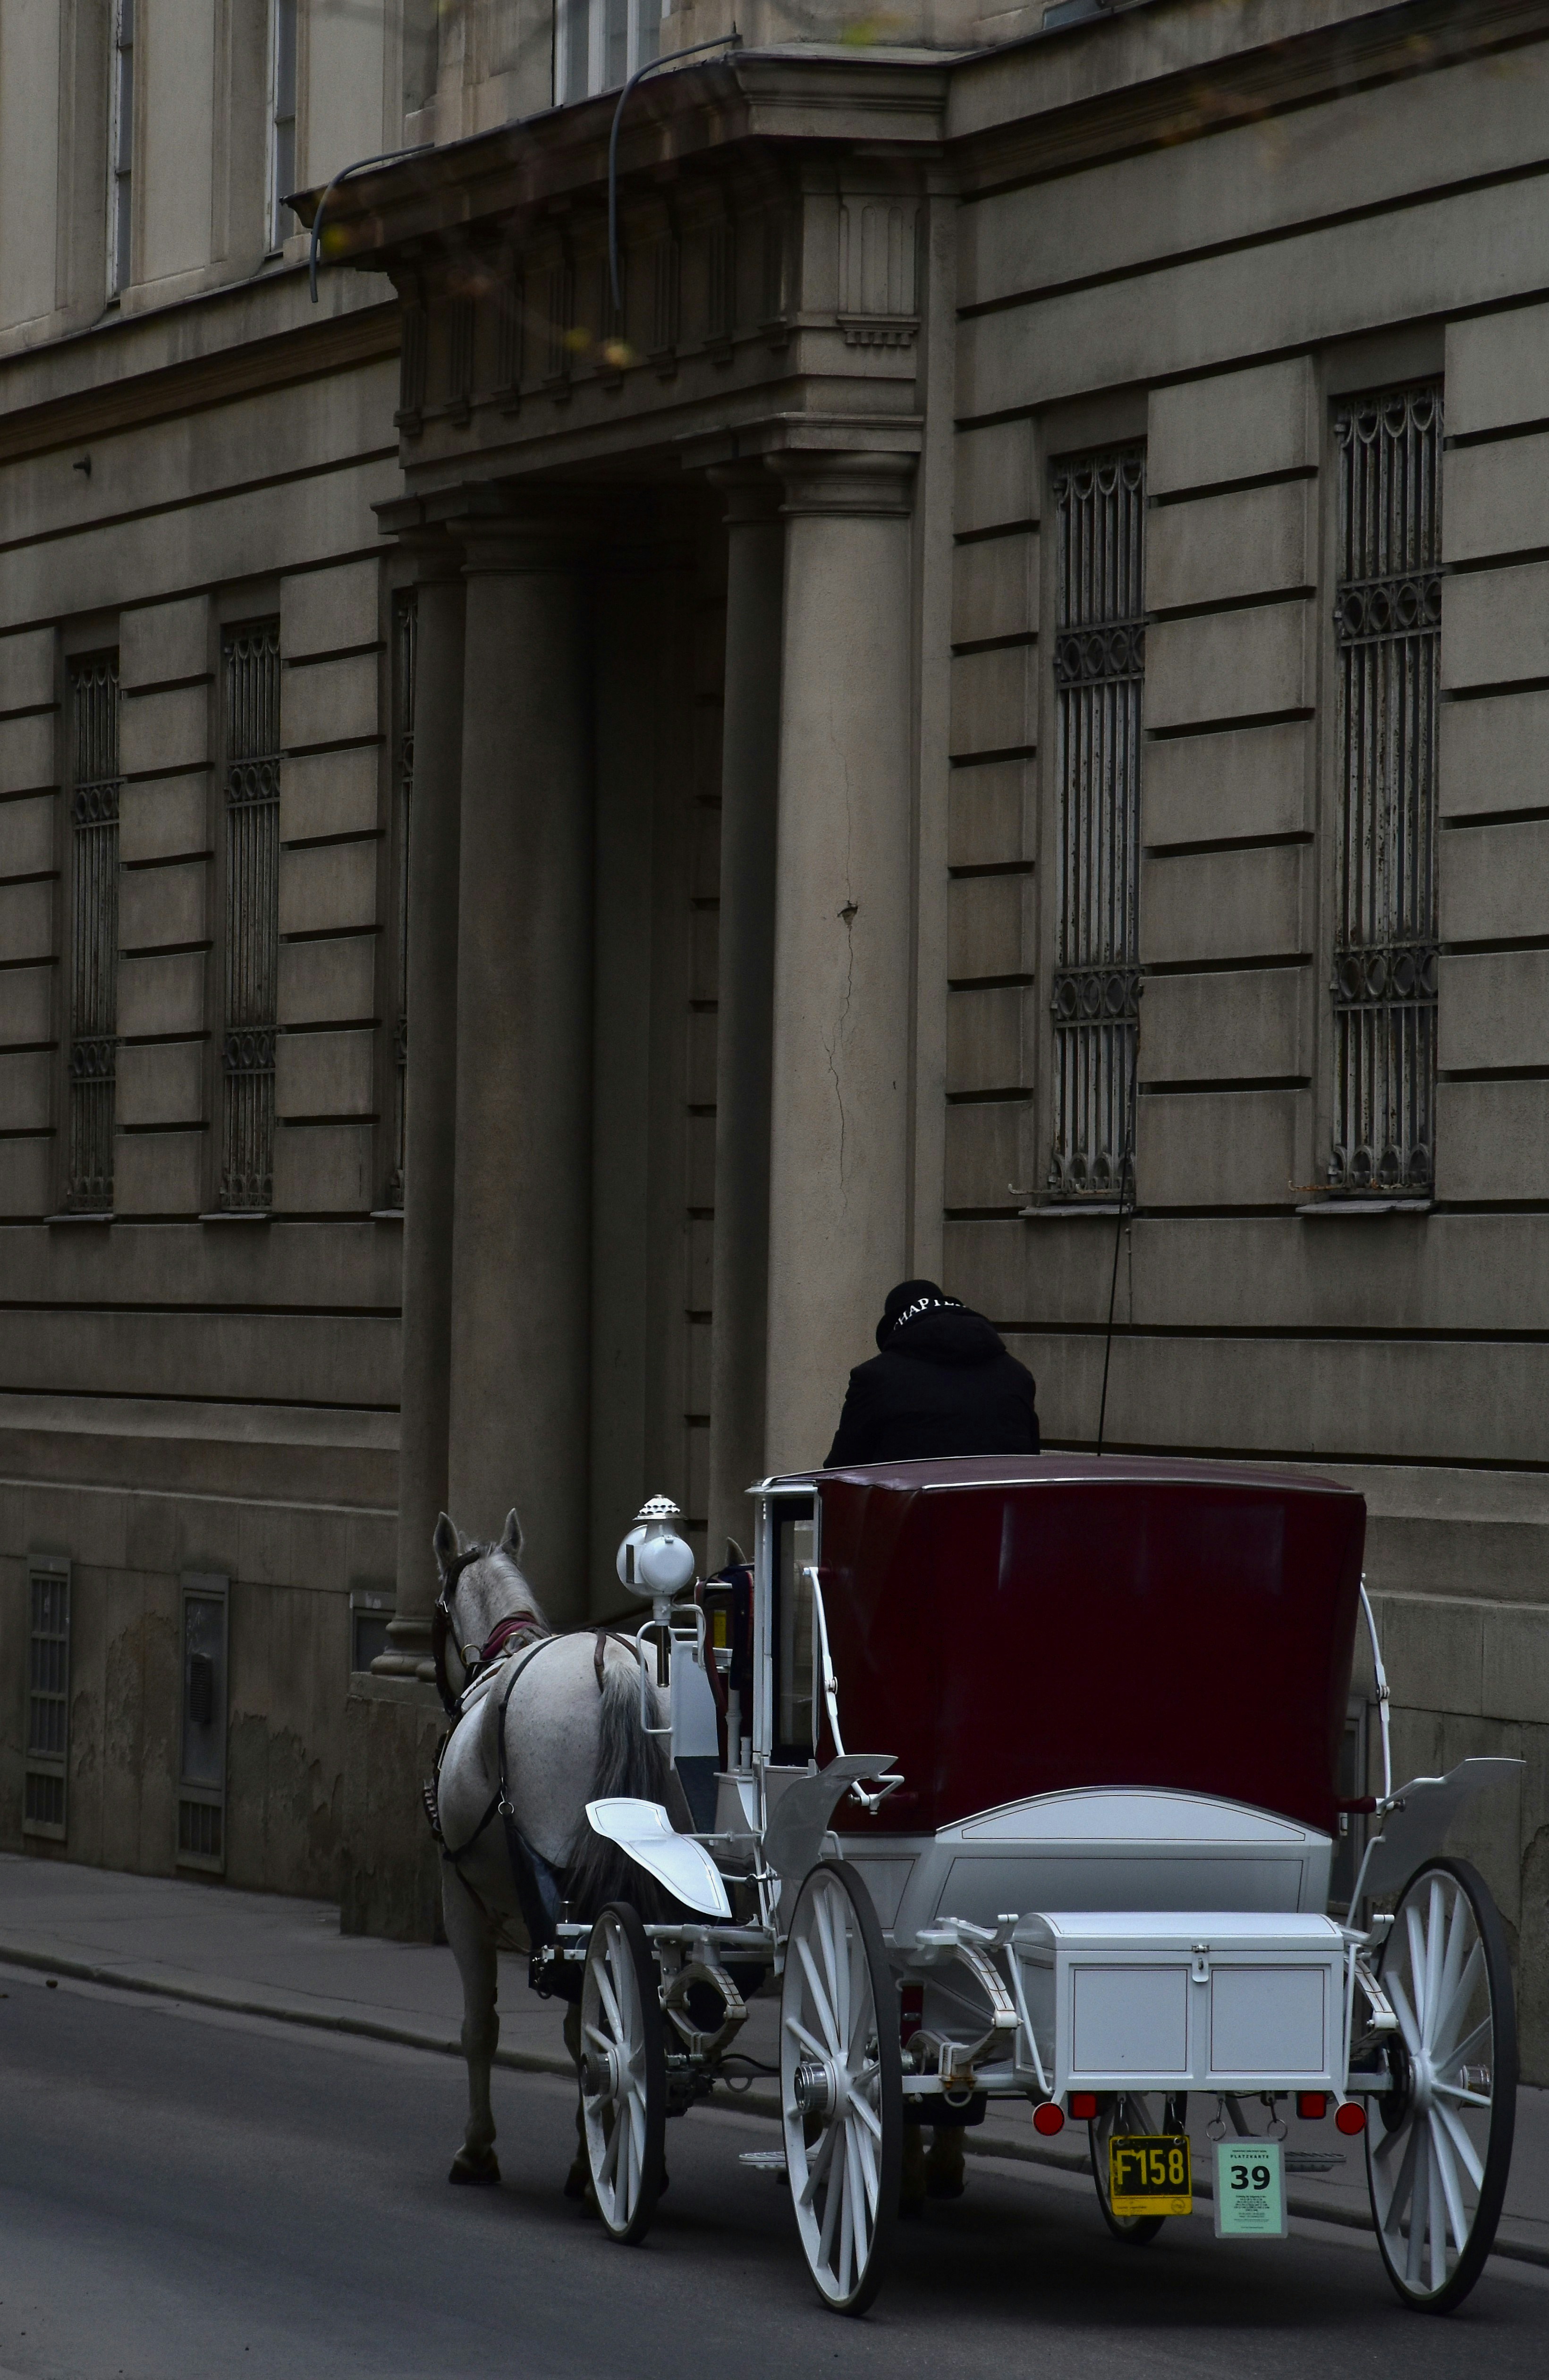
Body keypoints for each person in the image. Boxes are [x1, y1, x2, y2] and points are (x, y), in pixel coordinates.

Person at [824, 1281, 1039, 2213]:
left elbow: (832, 1491)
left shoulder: (875, 1382)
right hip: (1002, 1651)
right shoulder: (1014, 1379)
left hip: (903, 1658)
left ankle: (917, 2142)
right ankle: (947, 2145)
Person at [824, 1278, 1039, 1469]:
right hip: (1000, 1510)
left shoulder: (875, 1378)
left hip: (910, 1512)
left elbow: (842, 1469)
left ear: (895, 1330)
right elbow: (1030, 1458)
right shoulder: (1016, 1374)